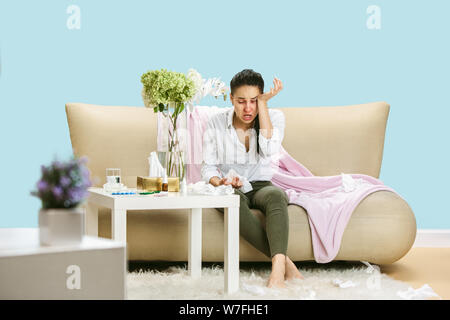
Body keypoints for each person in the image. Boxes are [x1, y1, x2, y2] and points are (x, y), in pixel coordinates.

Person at [201, 69, 304, 288]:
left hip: (261, 184)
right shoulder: (216, 123)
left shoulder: (273, 117)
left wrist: (264, 106)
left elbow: (268, 149)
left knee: (277, 195)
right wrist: (219, 182)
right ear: (231, 99)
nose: (248, 108)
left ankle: (277, 270)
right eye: (241, 101)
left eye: (254, 101)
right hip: (231, 187)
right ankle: (287, 264)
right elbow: (208, 167)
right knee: (229, 200)